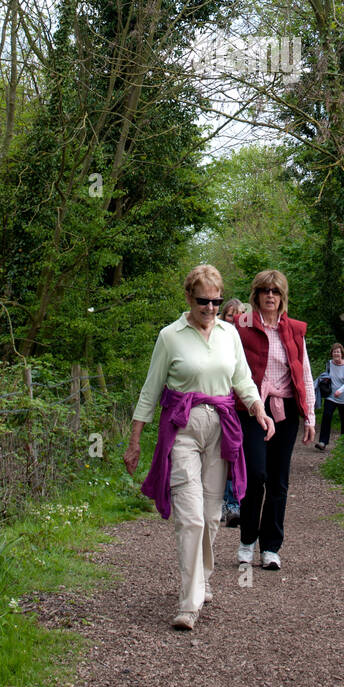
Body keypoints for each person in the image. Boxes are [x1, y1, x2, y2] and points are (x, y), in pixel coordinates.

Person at [123, 265, 274, 631]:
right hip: (182, 429)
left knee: (210, 516)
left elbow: (242, 379)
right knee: (189, 517)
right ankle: (188, 603)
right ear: (189, 298)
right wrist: (135, 441)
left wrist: (259, 410)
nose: (210, 308)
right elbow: (150, 388)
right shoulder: (170, 336)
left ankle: (203, 578)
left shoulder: (228, 334)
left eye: (216, 301)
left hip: (221, 429)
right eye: (203, 301)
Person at [234, 269, 315, 570]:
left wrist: (310, 416)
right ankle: (246, 540)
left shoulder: (294, 330)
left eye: (276, 291)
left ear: (283, 297)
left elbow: (304, 372)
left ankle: (271, 547)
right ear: (255, 295)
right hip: (251, 408)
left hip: (286, 410)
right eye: (265, 291)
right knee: (256, 476)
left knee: (279, 481)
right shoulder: (240, 326)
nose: (270, 296)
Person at [219, 299, 248, 526]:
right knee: (221, 455)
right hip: (222, 405)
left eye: (239, 315)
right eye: (231, 315)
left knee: (237, 454)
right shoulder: (218, 339)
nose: (235, 320)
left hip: (243, 406)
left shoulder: (247, 341)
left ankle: (234, 503)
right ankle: (222, 502)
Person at [315, 342, 344, 448]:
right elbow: (327, 375)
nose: (336, 354)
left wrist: (340, 390)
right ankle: (323, 442)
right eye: (334, 352)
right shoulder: (329, 363)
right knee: (326, 416)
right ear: (332, 353)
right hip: (331, 396)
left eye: (338, 352)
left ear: (342, 354)